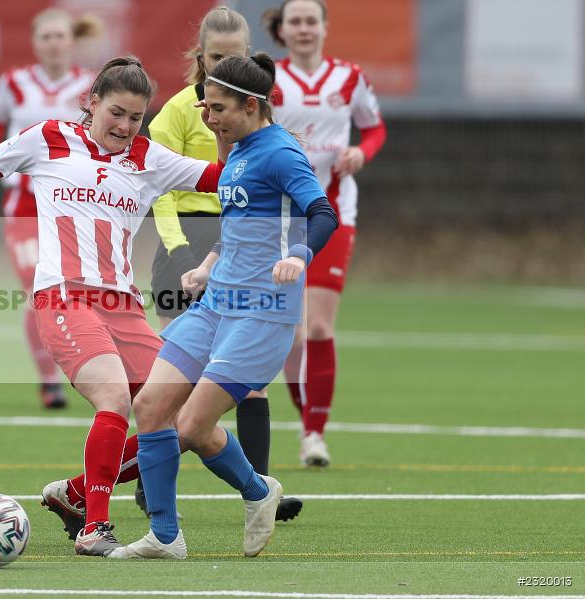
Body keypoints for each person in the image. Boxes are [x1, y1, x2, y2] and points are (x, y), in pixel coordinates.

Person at [0, 56, 230, 557]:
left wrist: (236, 133)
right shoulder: (47, 138)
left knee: (178, 416)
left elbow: (223, 178)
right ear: (92, 103)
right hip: (64, 296)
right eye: (117, 113)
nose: (126, 127)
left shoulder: (150, 157)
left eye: (135, 118)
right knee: (115, 400)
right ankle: (95, 528)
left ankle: (78, 492)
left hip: (124, 307)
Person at [109, 54, 338, 559]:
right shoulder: (235, 151)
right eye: (206, 107)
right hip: (215, 304)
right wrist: (209, 263)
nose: (209, 118)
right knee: (149, 407)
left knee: (192, 425)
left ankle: (257, 492)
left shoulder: (280, 153)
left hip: (261, 314)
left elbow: (323, 213)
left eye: (217, 108)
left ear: (251, 105)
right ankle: (165, 537)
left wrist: (299, 255)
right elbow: (241, 229)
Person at [141, 5, 301, 522]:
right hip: (183, 240)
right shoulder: (180, 111)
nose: (222, 69)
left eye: (233, 58)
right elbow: (158, 186)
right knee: (169, 389)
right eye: (214, 59)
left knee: (246, 384)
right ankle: (152, 492)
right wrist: (181, 249)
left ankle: (257, 489)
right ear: (198, 57)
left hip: (239, 245)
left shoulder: (253, 117)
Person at [263, 0, 386, 466]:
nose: (304, 29)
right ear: (284, 29)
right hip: (280, 215)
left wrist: (361, 153)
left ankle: (314, 433)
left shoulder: (350, 78)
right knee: (291, 336)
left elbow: (375, 130)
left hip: (334, 210)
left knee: (317, 325)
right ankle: (305, 417)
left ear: (325, 27)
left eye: (311, 21)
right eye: (295, 21)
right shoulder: (268, 77)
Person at [0, 9, 99, 410]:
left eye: (59, 36)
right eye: (45, 36)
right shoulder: (14, 82)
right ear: (35, 42)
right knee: (36, 289)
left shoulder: (88, 85)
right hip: (25, 204)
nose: (53, 43)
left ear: (71, 41)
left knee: (79, 290)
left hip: (72, 206)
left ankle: (86, 365)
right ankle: (49, 380)